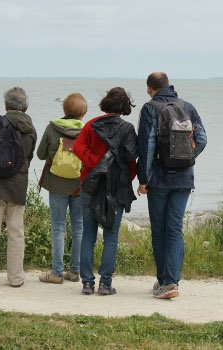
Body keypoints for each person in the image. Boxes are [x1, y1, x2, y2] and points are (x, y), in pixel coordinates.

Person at [137, 72, 207, 299]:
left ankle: (163, 282)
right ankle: (172, 282)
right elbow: (203, 139)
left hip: (158, 177)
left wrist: (144, 179)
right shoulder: (188, 106)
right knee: (175, 228)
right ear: (169, 85)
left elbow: (147, 147)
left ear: (150, 88)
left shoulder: (150, 109)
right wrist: (188, 157)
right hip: (184, 177)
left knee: (159, 229)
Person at [73, 87, 138, 295]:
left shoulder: (91, 125)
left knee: (88, 236)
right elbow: (131, 161)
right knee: (111, 236)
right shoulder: (127, 129)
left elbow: (78, 148)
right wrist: (125, 178)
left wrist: (94, 164)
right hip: (115, 188)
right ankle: (105, 283)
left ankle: (87, 283)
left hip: (90, 185)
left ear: (106, 102)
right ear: (125, 106)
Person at [0, 87, 37, 288]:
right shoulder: (31, 128)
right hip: (17, 186)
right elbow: (28, 157)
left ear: (6, 105)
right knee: (16, 233)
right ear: (26, 106)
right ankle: (16, 278)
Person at [36, 93, 86, 284]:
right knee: (78, 227)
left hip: (56, 183)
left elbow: (41, 154)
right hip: (79, 185)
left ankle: (57, 273)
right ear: (83, 113)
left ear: (64, 110)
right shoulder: (87, 130)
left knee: (58, 227)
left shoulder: (52, 127)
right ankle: (75, 271)